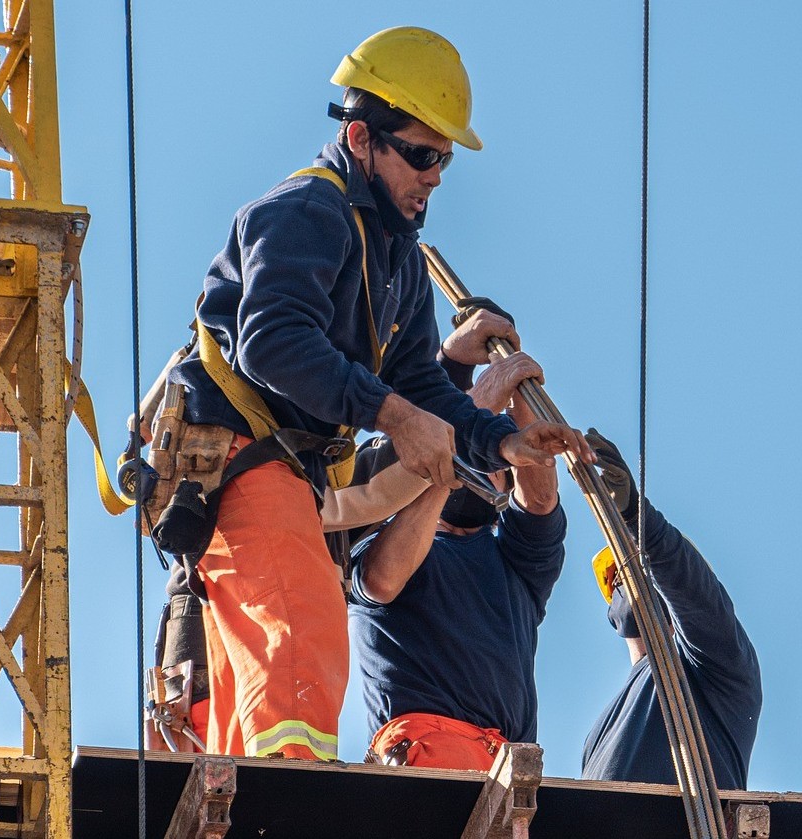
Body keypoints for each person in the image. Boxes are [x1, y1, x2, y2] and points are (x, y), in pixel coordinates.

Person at [161, 26, 591, 760]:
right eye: (422, 155)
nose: (434, 176)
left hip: (281, 467)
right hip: (238, 447)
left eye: (444, 159)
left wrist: (503, 443)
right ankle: (288, 803)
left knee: (260, 689)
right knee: (300, 640)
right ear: (361, 138)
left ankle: (254, 799)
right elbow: (272, 341)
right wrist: (394, 415)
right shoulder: (307, 211)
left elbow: (422, 381)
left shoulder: (398, 259)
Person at [349, 316, 564, 771]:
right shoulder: (379, 534)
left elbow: (541, 497)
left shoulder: (514, 563)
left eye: (492, 465)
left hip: (508, 767)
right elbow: (383, 581)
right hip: (426, 754)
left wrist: (520, 387)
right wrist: (455, 456)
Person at [579, 433, 762, 789]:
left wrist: (635, 517)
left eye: (645, 566)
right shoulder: (598, 735)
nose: (636, 578)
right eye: (624, 572)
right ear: (612, 612)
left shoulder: (719, 665)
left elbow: (692, 586)